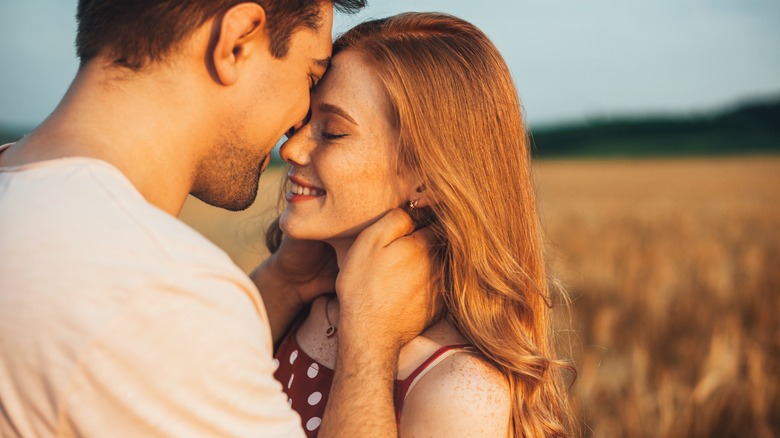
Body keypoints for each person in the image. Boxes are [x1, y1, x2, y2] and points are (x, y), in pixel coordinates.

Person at [0, 1, 435, 437]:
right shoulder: (160, 293)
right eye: (310, 76)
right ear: (236, 42)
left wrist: (284, 281)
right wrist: (369, 345)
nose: (296, 128)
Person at [267, 12, 576, 437]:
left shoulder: (459, 390)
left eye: (333, 132)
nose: (292, 149)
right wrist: (285, 278)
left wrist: (368, 342)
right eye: (301, 123)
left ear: (427, 176)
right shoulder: (300, 305)